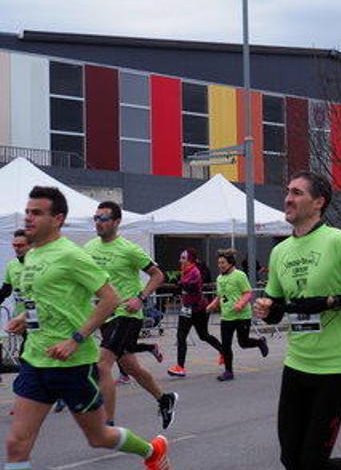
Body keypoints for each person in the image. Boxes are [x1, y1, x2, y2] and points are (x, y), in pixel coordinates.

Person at [4, 186, 169, 470]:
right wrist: (23, 320)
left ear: (57, 219)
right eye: (28, 212)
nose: (28, 219)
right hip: (36, 359)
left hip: (72, 363)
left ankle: (151, 451)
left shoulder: (72, 255)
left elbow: (110, 299)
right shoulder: (31, 256)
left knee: (99, 436)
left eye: (37, 213)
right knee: (16, 445)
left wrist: (75, 340)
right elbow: (40, 301)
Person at [253, 171, 341, 470]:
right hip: (297, 363)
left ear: (319, 202)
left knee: (312, 464)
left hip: (336, 366)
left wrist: (331, 301)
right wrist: (268, 308)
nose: (288, 198)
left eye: (297, 193)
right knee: (291, 460)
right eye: (288, 191)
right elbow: (279, 306)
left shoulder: (339, 242)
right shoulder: (280, 252)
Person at [83, 201, 177, 429]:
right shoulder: (89, 248)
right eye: (95, 218)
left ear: (116, 222)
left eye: (103, 218)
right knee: (132, 368)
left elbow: (158, 275)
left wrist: (140, 298)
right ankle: (165, 399)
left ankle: (108, 426)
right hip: (105, 315)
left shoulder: (129, 249)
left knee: (103, 364)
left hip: (127, 314)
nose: (98, 222)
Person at [205, 248, 268, 381]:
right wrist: (212, 305)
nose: (220, 265)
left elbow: (247, 292)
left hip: (242, 316)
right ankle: (228, 371)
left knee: (243, 343)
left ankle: (260, 342)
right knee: (226, 345)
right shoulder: (219, 278)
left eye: (223, 263)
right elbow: (220, 295)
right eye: (219, 263)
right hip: (227, 316)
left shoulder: (239, 275)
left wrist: (240, 304)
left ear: (230, 263)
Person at [167, 248, 224, 377]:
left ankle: (224, 351)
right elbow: (182, 289)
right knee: (181, 337)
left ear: (190, 260)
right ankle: (180, 367)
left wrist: (179, 284)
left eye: (183, 258)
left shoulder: (194, 272)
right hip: (186, 309)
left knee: (203, 335)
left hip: (199, 309)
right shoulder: (185, 271)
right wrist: (176, 288)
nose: (180, 260)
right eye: (181, 257)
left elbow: (190, 287)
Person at [0, 230, 30, 378]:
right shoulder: (12, 265)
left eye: (21, 245)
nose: (17, 248)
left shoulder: (38, 264)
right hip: (21, 316)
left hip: (39, 316)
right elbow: (6, 289)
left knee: (27, 354)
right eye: (14, 245)